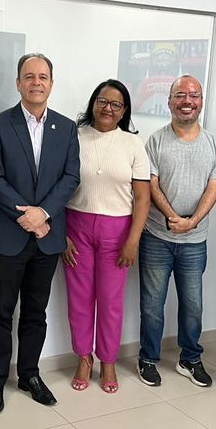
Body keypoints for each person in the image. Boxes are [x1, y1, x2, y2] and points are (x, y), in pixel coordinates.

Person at [0, 53, 80, 413]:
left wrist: (43, 214)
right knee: (1, 311)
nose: (36, 82)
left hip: (47, 236)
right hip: (8, 234)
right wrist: (27, 215)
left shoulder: (66, 128)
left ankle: (29, 374)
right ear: (18, 83)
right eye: (29, 76)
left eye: (43, 76)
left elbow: (71, 177)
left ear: (51, 83)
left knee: (36, 311)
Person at [137, 75, 216, 389]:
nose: (187, 101)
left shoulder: (214, 144)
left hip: (194, 241)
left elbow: (214, 188)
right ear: (170, 102)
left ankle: (189, 359)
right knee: (152, 305)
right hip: (156, 238)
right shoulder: (155, 141)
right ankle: (148, 358)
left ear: (201, 101)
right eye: (180, 95)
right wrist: (174, 217)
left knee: (193, 306)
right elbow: (151, 185)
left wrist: (192, 221)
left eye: (194, 95)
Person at [62, 79, 150, 394]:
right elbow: (57, 186)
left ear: (124, 110)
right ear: (93, 103)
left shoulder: (133, 144)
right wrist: (61, 235)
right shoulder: (74, 137)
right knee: (79, 299)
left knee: (111, 301)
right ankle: (83, 358)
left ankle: (108, 361)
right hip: (76, 226)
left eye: (116, 104)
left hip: (118, 231)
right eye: (102, 101)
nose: (108, 108)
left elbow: (143, 199)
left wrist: (133, 240)